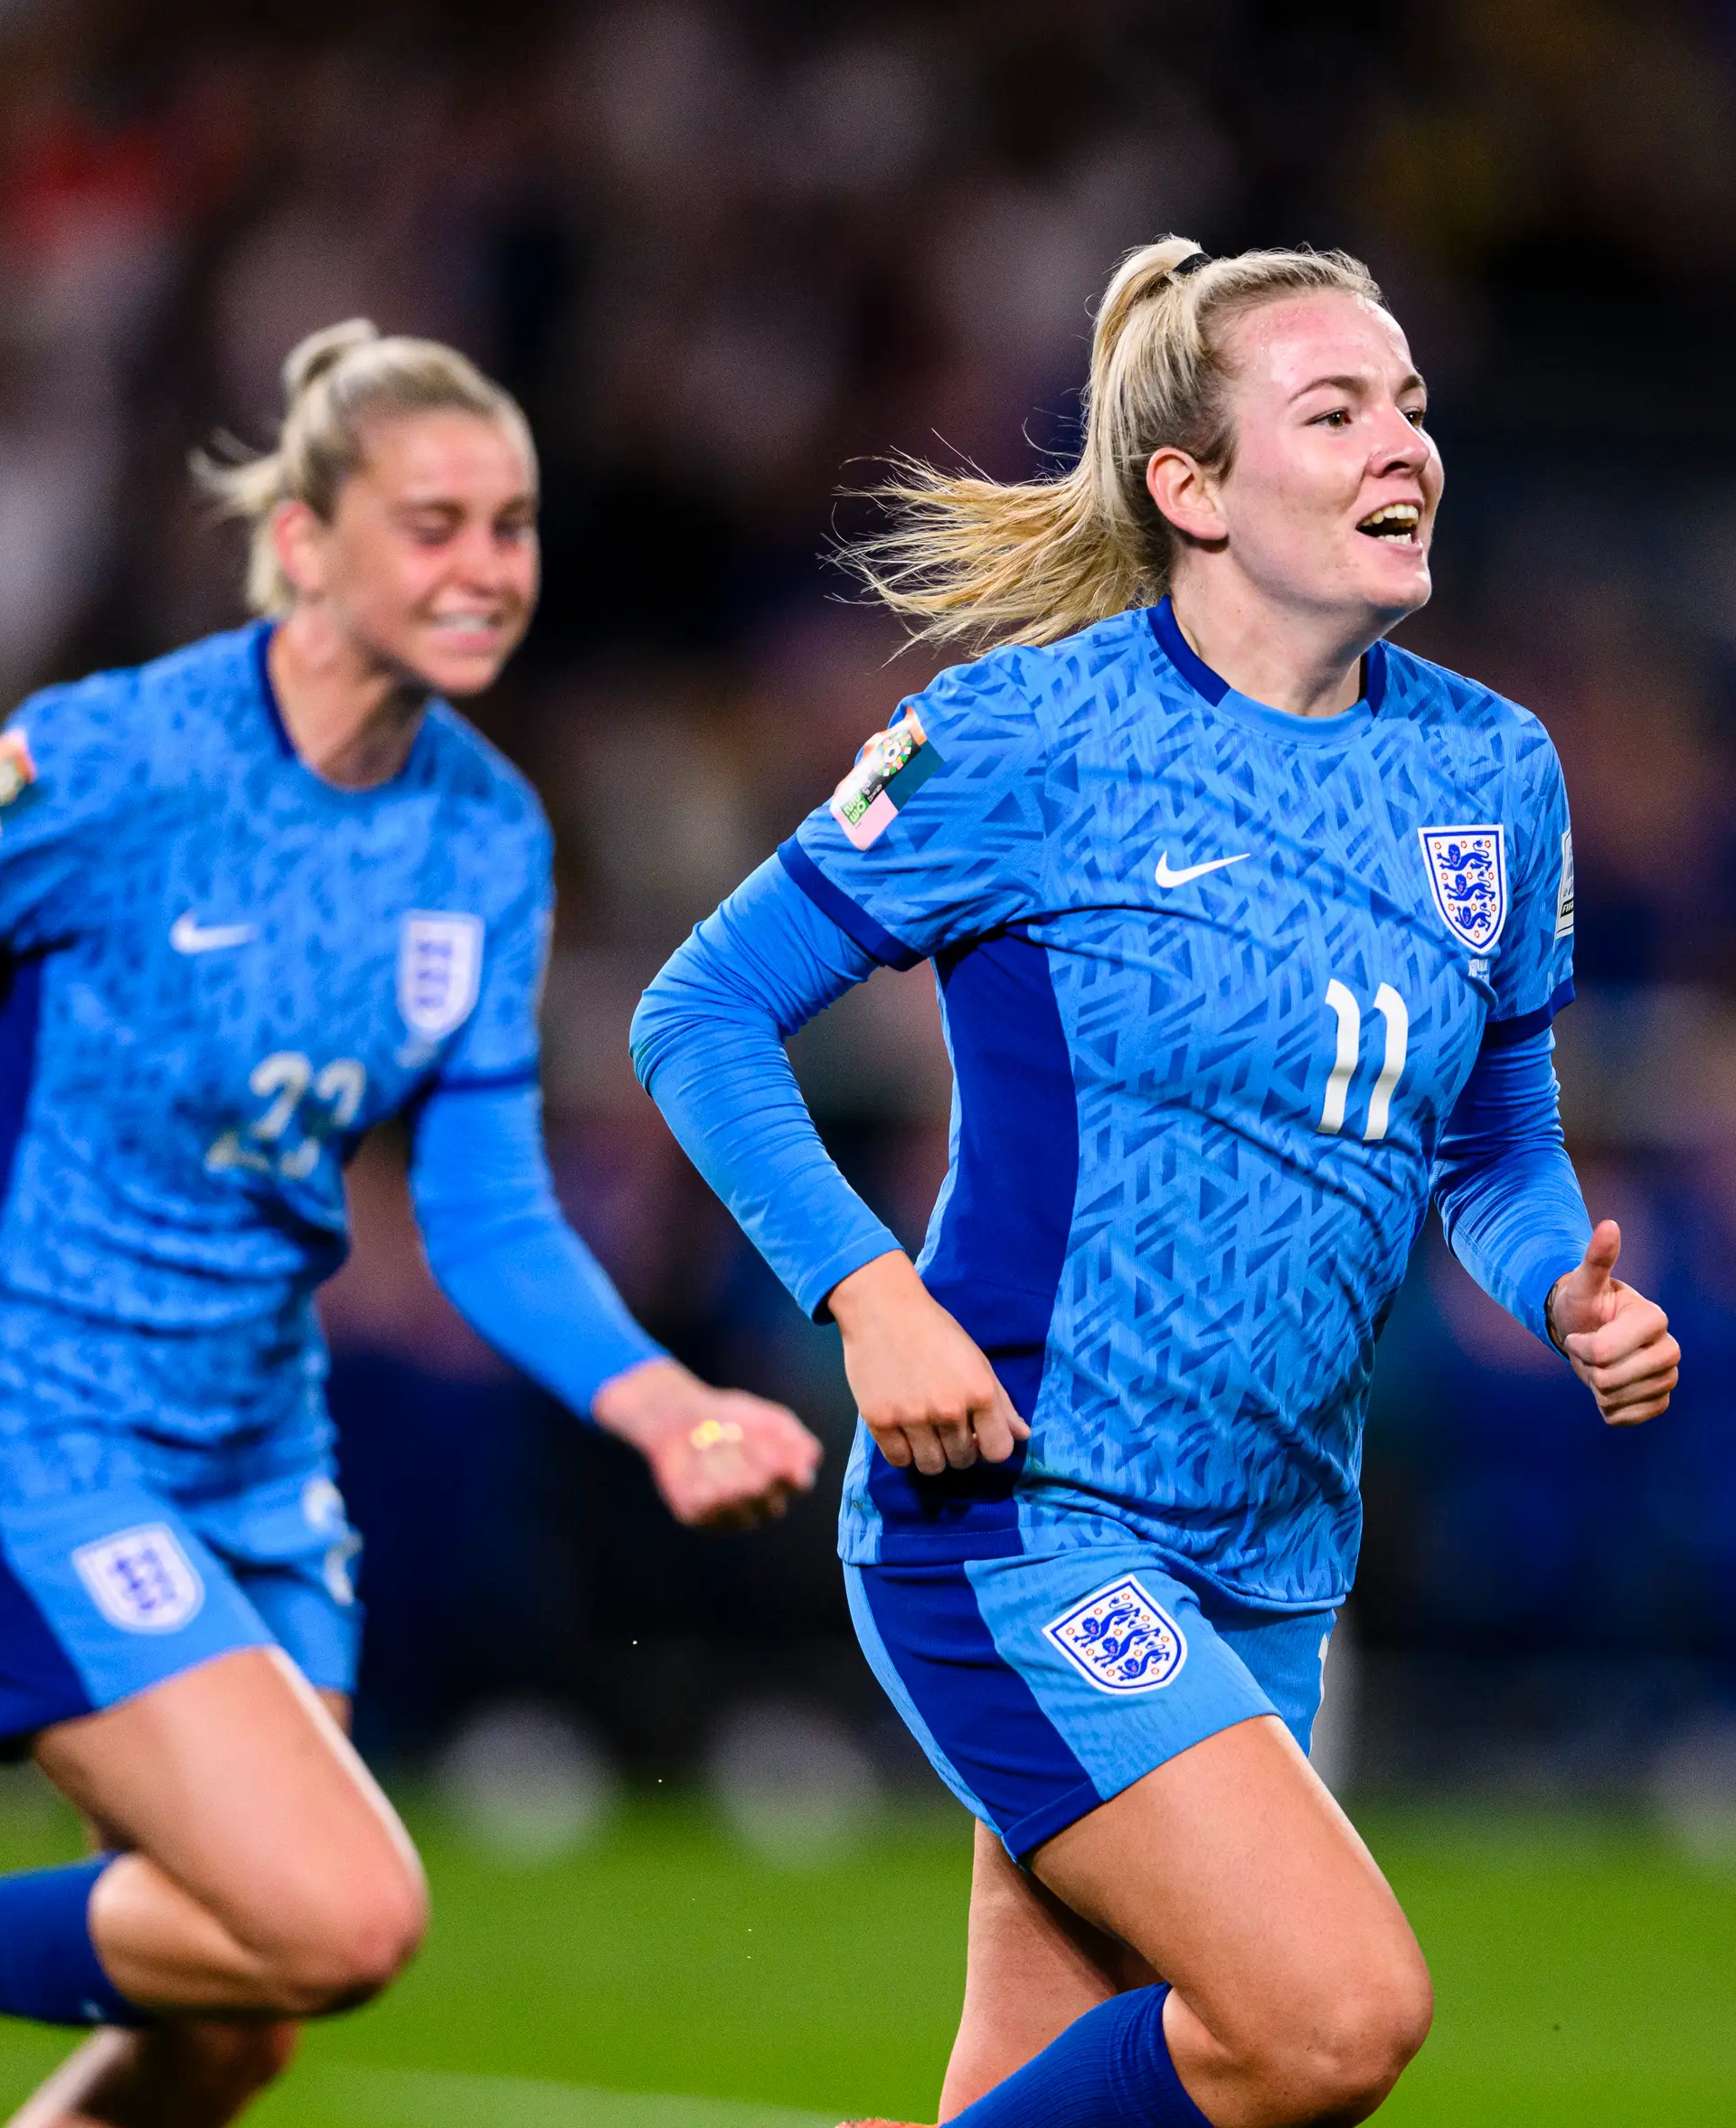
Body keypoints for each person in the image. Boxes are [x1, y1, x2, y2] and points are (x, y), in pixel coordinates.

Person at [0, 321, 824, 2128]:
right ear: (303, 544)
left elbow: (487, 1207)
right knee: (339, 1914)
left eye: (512, 526)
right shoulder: (114, 763)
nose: (487, 567)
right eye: (432, 521)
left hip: (251, 1445)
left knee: (235, 2011)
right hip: (22, 1411)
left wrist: (657, 1401)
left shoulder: (485, 838)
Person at [633, 236, 1681, 2128]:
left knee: (1059, 2082)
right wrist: (871, 1298)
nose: (1405, 446)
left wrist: (1561, 1291)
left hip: (1272, 1547)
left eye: (1415, 405)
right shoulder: (1031, 738)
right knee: (1329, 2014)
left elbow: (1500, 1144)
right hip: (1026, 1511)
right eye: (1338, 409)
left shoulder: (1493, 773)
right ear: (1190, 489)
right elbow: (699, 1015)